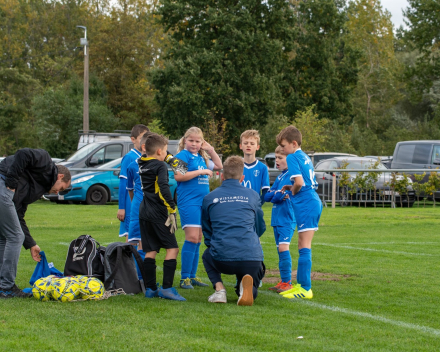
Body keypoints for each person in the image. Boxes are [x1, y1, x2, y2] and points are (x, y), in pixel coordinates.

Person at [0, 148, 71, 298]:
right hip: (2, 183)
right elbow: (23, 154)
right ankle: (6, 287)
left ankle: (2, 285)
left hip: (5, 191)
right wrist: (11, 182)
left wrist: (31, 244)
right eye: (61, 188)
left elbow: (18, 216)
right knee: (15, 237)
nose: (58, 193)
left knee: (5, 237)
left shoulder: (38, 190)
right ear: (60, 176)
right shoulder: (45, 161)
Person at [201, 156, 266, 306]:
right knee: (252, 271)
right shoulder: (253, 195)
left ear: (222, 176)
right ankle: (245, 290)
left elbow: (207, 228)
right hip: (251, 256)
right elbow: (260, 226)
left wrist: (214, 244)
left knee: (206, 255)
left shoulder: (209, 198)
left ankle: (219, 290)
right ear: (242, 177)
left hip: (222, 257)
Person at [138, 133, 186, 301]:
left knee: (151, 250)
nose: (167, 153)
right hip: (158, 212)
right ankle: (167, 288)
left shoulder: (141, 162)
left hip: (144, 211)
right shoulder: (160, 166)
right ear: (160, 151)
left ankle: (150, 289)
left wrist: (163, 155)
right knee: (172, 248)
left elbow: (152, 156)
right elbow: (165, 188)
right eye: (165, 150)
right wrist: (172, 210)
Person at [276, 126, 322, 300]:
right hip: (311, 200)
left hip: (306, 202)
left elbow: (300, 183)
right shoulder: (303, 156)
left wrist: (293, 191)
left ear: (293, 144)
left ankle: (305, 288)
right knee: (303, 245)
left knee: (304, 246)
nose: (282, 149)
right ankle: (302, 285)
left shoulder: (293, 156)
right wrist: (291, 187)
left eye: (284, 145)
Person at [174, 127, 223, 289]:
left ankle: (192, 276)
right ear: (185, 140)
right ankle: (184, 278)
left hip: (203, 202)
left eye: (197, 141)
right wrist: (200, 171)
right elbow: (179, 176)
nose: (194, 144)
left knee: (198, 239)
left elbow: (218, 165)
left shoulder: (201, 156)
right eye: (191, 140)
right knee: (192, 238)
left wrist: (210, 149)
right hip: (189, 201)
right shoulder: (182, 156)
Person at [264, 146, 296, 293]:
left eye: (280, 158)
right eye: (276, 158)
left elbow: (275, 196)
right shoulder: (279, 177)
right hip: (277, 219)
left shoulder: (292, 175)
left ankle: (287, 282)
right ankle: (283, 281)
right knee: (280, 250)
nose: (277, 161)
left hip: (287, 219)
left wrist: (277, 194)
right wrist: (278, 193)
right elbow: (268, 197)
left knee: (283, 248)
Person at [117, 124, 149, 241]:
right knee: (131, 235)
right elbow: (123, 183)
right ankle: (129, 259)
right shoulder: (130, 157)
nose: (144, 142)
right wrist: (122, 208)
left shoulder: (148, 157)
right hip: (131, 203)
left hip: (144, 203)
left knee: (143, 235)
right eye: (141, 138)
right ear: (133, 139)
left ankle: (141, 259)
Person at [239, 130, 270, 205]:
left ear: (257, 147)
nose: (248, 145)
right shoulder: (236, 166)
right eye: (245, 143)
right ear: (240, 146)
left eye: (252, 143)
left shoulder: (263, 168)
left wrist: (258, 205)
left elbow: (265, 190)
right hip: (238, 207)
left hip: (254, 207)